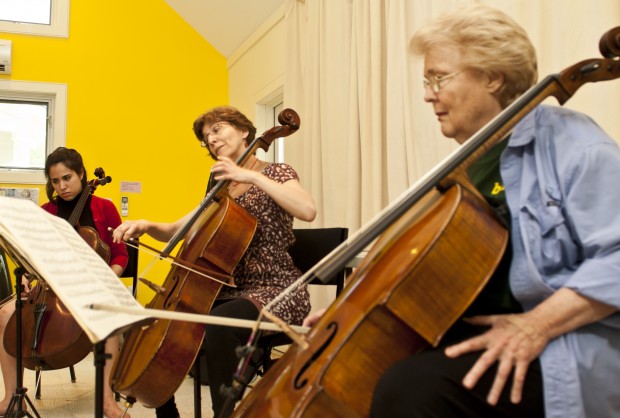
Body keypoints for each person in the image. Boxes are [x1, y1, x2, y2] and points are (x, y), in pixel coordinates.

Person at [305, 4, 620, 418]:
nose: (426, 93)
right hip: (484, 333)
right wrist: (356, 314)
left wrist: (536, 324)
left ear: (493, 76)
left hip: (564, 341)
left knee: (410, 391)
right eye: (426, 80)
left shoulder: (573, 143)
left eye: (438, 77)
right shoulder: (465, 167)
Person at [113, 105, 317, 418]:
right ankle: (167, 415)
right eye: (207, 137)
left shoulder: (276, 172)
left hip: (277, 289)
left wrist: (250, 175)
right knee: (150, 320)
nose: (212, 139)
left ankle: (227, 414)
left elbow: (307, 209)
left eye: (218, 129)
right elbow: (180, 230)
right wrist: (146, 224)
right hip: (229, 290)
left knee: (218, 326)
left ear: (244, 131)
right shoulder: (219, 189)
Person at [0, 147, 131, 418]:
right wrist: (26, 275)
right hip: (49, 288)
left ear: (82, 174)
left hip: (93, 286)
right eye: (55, 181)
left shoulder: (104, 207)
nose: (62, 186)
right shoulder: (46, 211)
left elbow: (120, 254)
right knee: (4, 313)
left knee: (109, 320)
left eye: (67, 178)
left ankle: (106, 400)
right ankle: (13, 395)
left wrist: (109, 276)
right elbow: (34, 257)